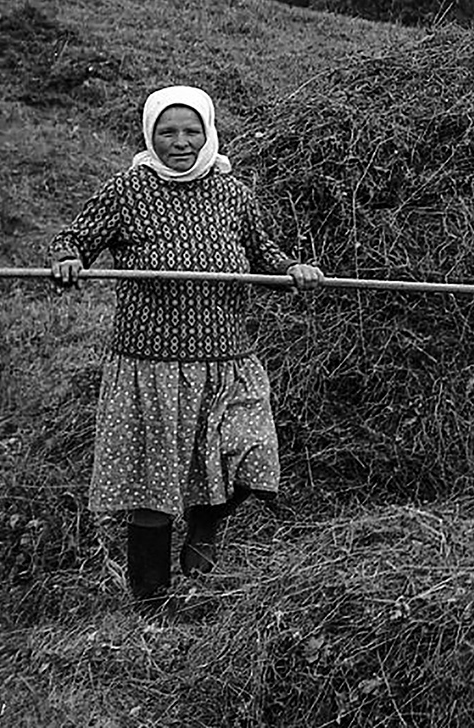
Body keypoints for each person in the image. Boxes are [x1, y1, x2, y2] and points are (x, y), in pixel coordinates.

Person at [47, 85, 323, 608]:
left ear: (208, 132)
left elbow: (262, 249)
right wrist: (67, 258)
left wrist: (292, 267)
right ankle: (151, 602)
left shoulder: (231, 191)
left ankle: (204, 528)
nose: (180, 141)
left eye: (191, 130)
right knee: (152, 486)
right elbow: (74, 238)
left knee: (249, 453)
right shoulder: (128, 189)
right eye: (167, 131)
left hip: (225, 358)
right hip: (150, 365)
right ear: (150, 134)